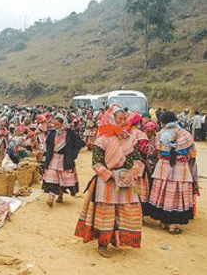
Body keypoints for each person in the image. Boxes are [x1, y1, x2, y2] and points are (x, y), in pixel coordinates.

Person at [74, 104, 144, 258]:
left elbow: (138, 159)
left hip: (126, 182)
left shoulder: (130, 139)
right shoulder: (102, 140)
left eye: (125, 119)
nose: (124, 121)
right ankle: (102, 244)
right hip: (107, 183)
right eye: (120, 119)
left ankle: (117, 240)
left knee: (126, 211)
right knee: (105, 214)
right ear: (112, 120)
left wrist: (132, 172)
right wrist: (112, 175)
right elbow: (96, 164)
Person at [146, 111, 198, 234]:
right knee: (177, 196)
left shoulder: (160, 134)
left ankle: (164, 221)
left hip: (163, 167)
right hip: (181, 169)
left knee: (163, 193)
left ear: (163, 122)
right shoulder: (186, 134)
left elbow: (154, 152)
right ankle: (174, 225)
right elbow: (193, 153)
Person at [42, 113, 85, 207]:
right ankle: (51, 199)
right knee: (53, 179)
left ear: (63, 123)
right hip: (53, 158)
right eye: (55, 124)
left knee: (62, 179)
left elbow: (79, 143)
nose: (56, 127)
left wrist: (72, 154)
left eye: (58, 125)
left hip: (64, 160)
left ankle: (60, 196)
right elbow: (48, 143)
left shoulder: (69, 133)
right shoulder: (52, 133)